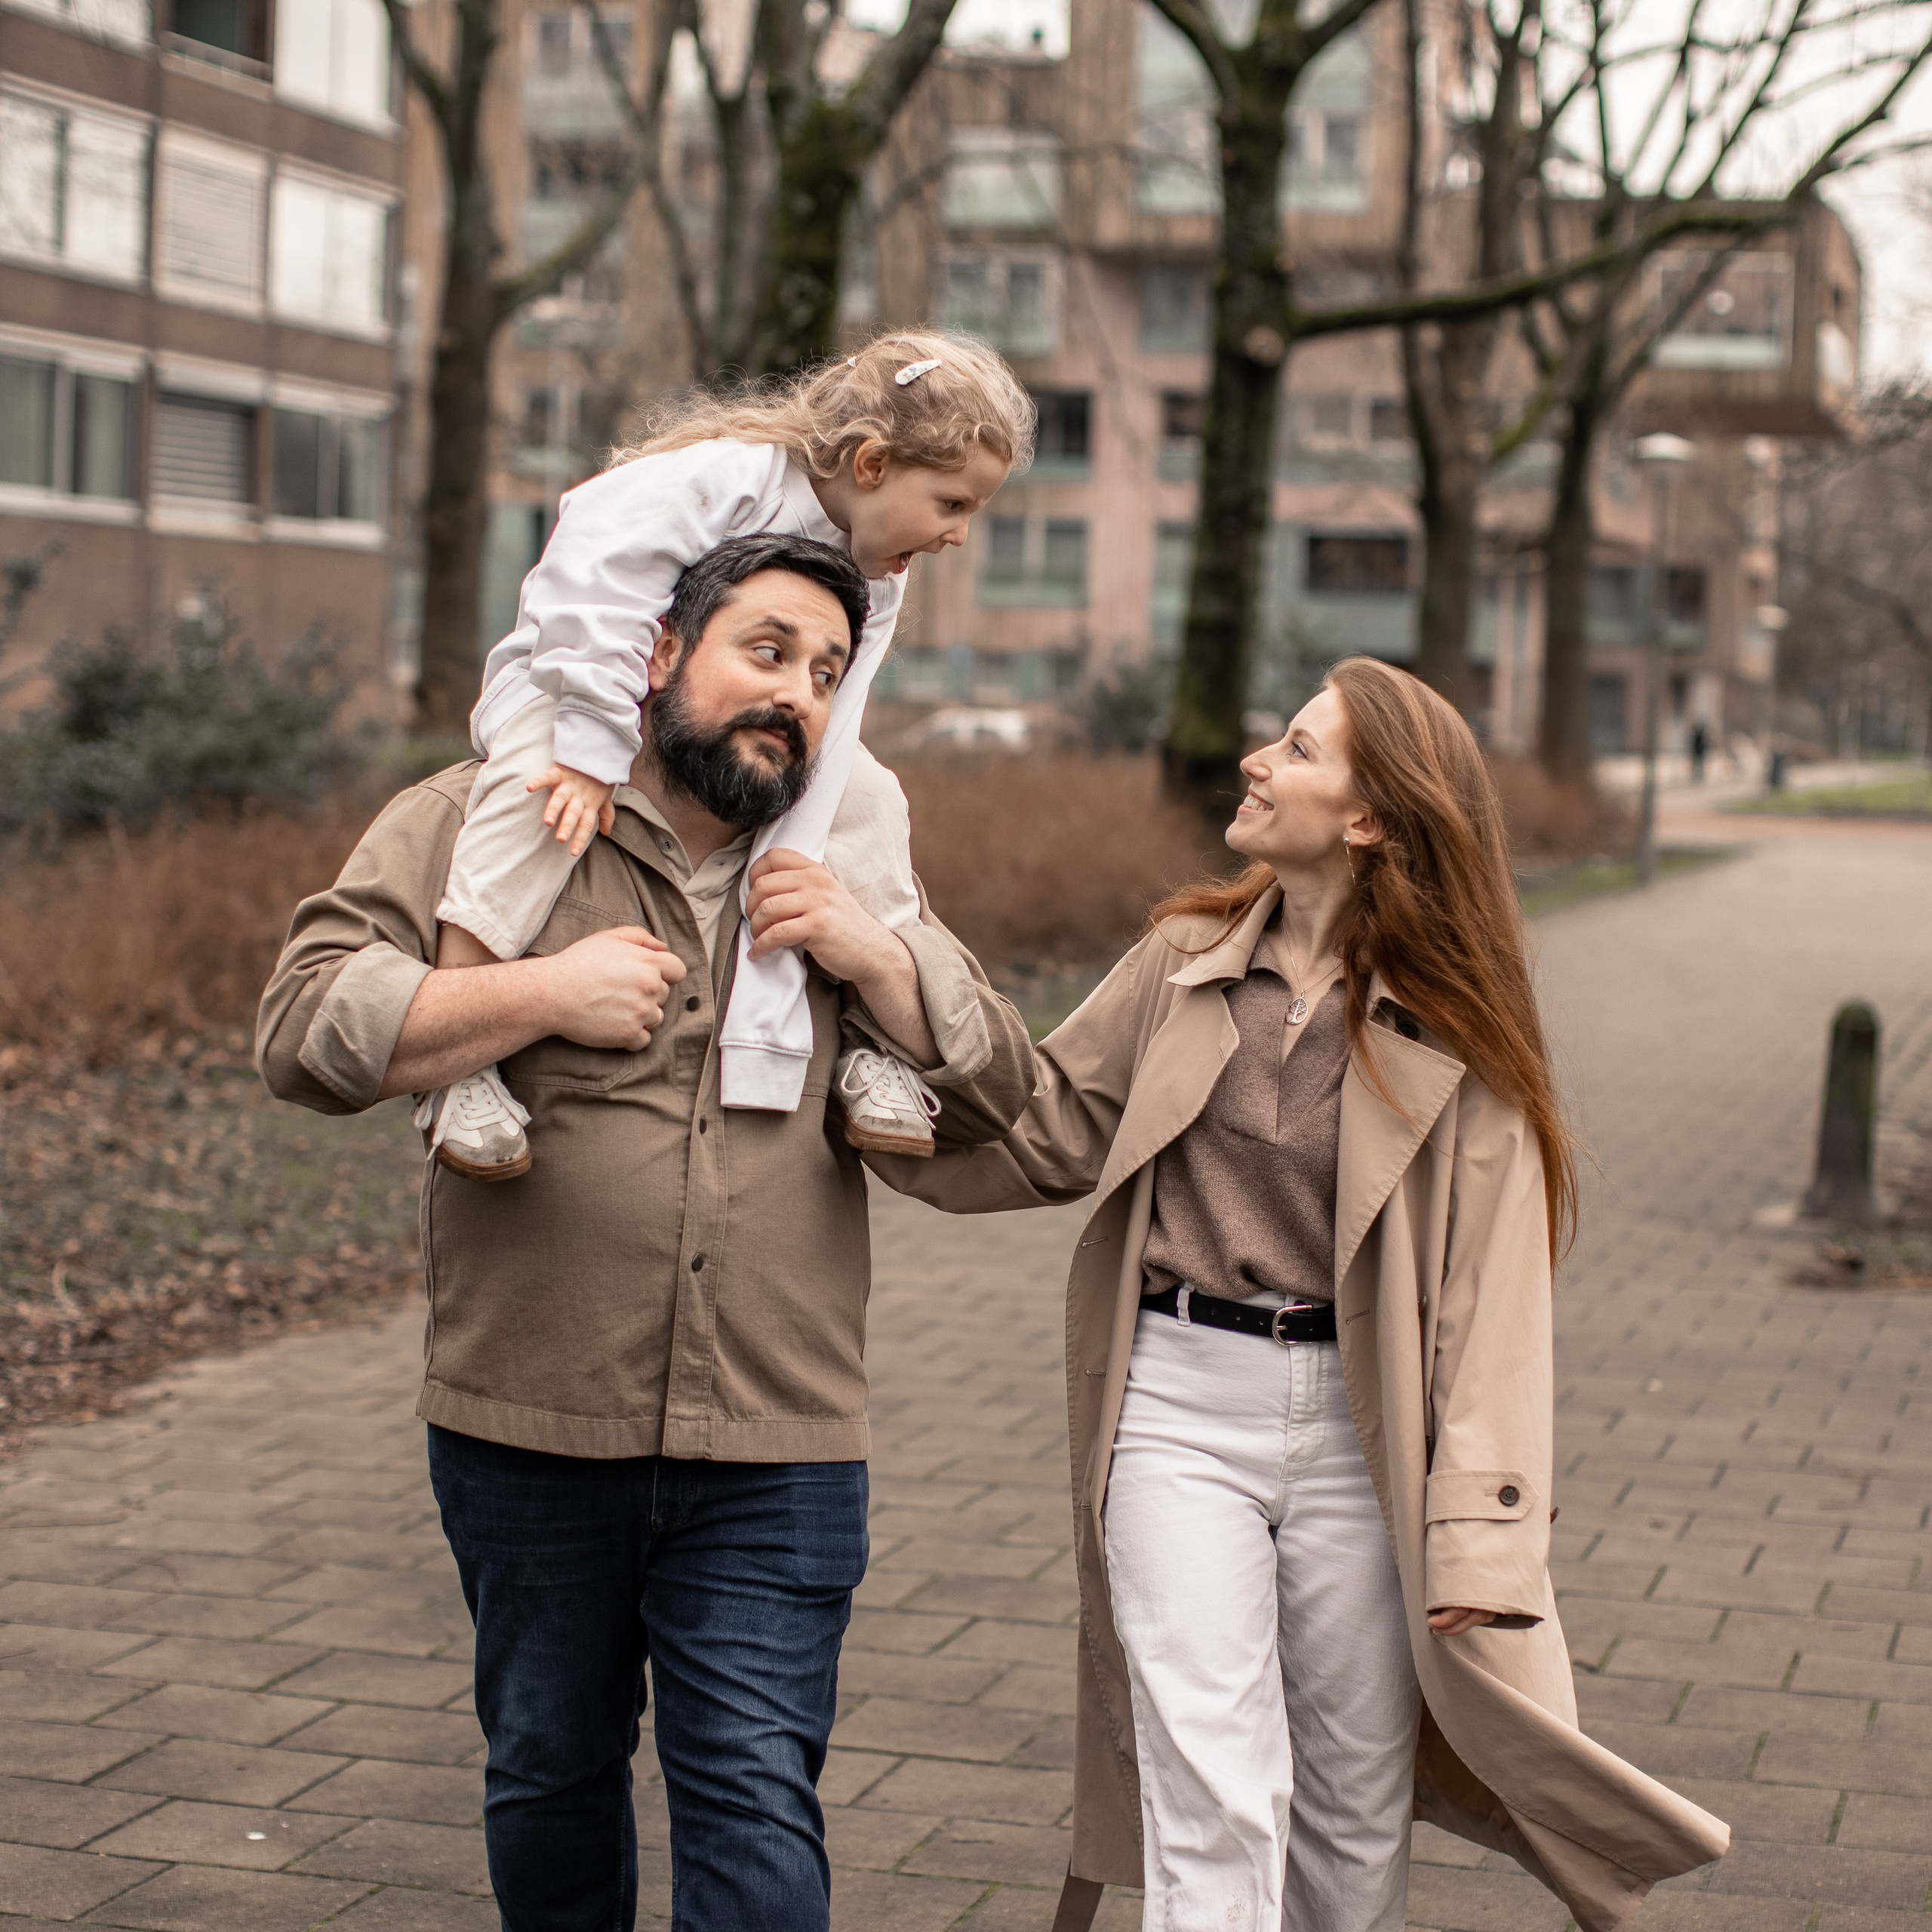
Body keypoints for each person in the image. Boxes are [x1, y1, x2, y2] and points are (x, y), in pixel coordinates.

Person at [257, 534, 1034, 1932]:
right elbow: (305, 1032)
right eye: (767, 650)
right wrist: (536, 994)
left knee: (751, 1789)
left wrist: (879, 962)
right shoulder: (487, 812)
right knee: (551, 1772)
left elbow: (1001, 1105)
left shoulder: (849, 857)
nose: (796, 693)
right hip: (528, 1425)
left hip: (778, 1443)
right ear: (663, 652)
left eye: (827, 672)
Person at [878, 657, 1728, 1932]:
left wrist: (1482, 1537)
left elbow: (1494, 1300)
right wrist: (876, 1073)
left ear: (1371, 815)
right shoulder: (1182, 959)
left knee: (1349, 1804)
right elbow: (1054, 1124)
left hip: (1358, 1428)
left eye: (1297, 748)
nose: (1256, 764)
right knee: (1213, 1788)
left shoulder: (1458, 1019)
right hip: (1175, 1403)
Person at [422, 328, 1032, 1181]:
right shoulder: (729, 477)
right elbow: (591, 569)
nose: (959, 534)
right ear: (870, 465)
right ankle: (458, 1060)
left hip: (723, 732)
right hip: (575, 683)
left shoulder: (880, 579)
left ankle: (873, 1042)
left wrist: (793, 861)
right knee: (534, 790)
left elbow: (838, 717)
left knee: (870, 798)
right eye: (952, 503)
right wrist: (595, 743)